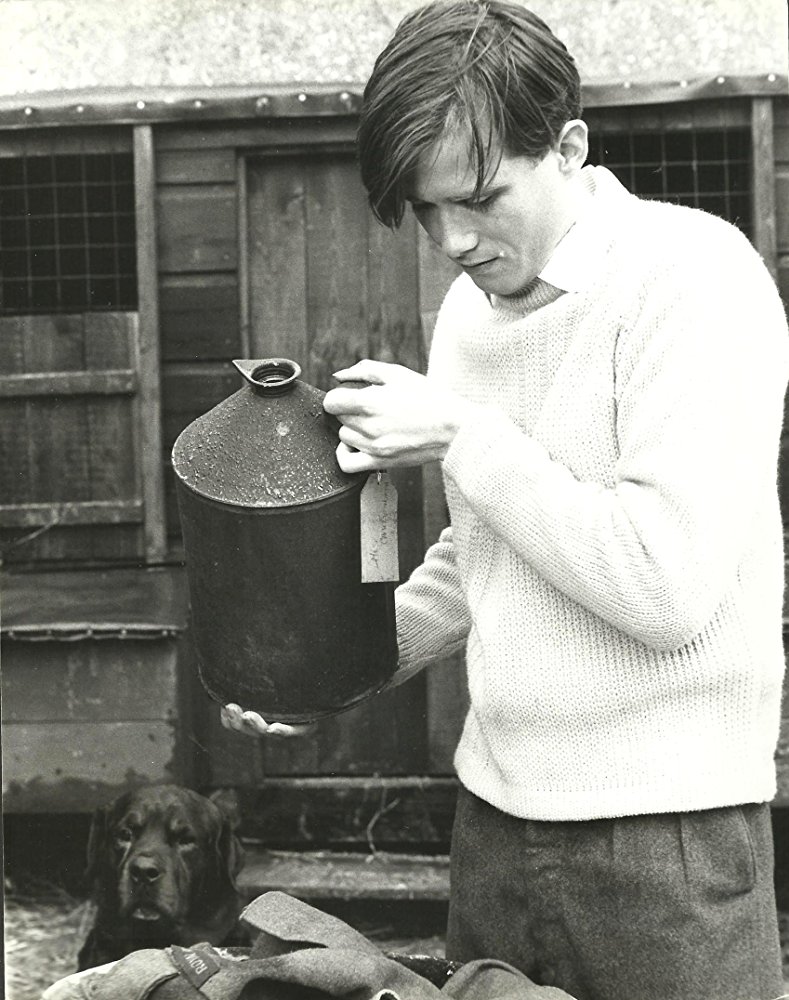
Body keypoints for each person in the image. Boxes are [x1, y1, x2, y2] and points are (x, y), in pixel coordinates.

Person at [222, 2, 789, 997]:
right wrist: (330, 667)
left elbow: (667, 586)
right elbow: (482, 552)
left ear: (568, 148)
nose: (451, 238)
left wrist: (462, 436)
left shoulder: (695, 282)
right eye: (426, 209)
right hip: (491, 832)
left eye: (480, 197)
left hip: (668, 849)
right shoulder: (466, 321)